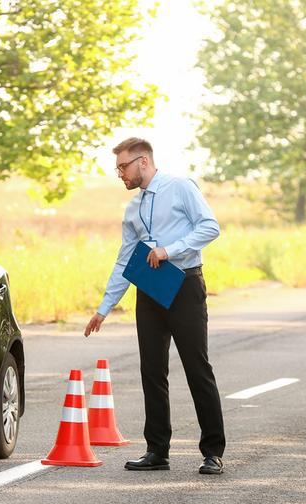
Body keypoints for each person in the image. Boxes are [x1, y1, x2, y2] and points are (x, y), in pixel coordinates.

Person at [84, 137, 226, 475]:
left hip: (184, 283)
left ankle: (213, 452)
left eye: (123, 166)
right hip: (149, 288)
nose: (120, 173)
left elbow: (210, 227)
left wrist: (170, 250)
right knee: (152, 371)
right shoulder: (133, 209)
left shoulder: (179, 188)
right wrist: (105, 307)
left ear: (143, 161)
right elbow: (124, 260)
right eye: (118, 167)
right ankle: (157, 450)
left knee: (197, 367)